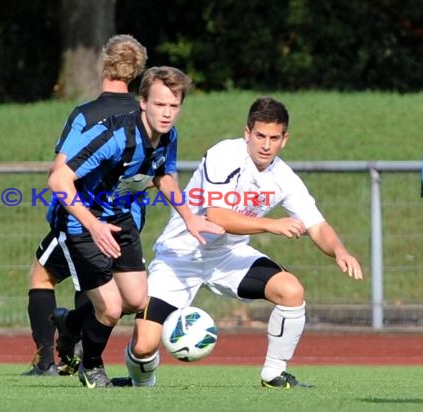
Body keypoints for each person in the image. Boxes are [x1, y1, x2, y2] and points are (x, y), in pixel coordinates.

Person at [116, 96, 363, 388]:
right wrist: (271, 224)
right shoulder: (225, 154)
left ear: (285, 139)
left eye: (274, 138)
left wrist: (339, 250)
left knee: (291, 290)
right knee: (145, 346)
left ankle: (274, 374)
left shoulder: (284, 177)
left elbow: (317, 225)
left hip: (228, 256)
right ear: (247, 133)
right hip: (181, 256)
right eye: (259, 135)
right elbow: (217, 216)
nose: (266, 145)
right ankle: (140, 384)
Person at [46, 66, 224, 388]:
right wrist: (94, 225)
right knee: (111, 309)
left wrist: (190, 216)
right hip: (79, 222)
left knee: (137, 301)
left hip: (119, 217)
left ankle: (70, 323)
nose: (167, 113)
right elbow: (58, 179)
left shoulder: (169, 136)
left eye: (174, 106)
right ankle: (91, 366)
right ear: (142, 102)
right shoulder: (116, 136)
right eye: (160, 105)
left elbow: (163, 175)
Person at [22, 34, 148, 377]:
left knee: (43, 276)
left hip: (82, 219)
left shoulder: (86, 115)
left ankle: (50, 359)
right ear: (138, 72)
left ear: (103, 64)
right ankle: (76, 343)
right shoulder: (146, 115)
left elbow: (60, 171)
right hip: (128, 221)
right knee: (102, 287)